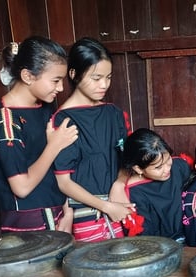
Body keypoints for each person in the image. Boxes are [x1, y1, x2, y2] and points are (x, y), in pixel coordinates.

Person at [0, 36, 78, 233]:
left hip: (57, 211)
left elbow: (55, 170)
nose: (61, 88)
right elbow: (22, 187)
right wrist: (54, 145)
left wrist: (66, 211)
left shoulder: (43, 106)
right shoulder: (5, 120)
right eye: (55, 80)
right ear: (28, 76)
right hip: (29, 221)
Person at [52, 37, 134, 242]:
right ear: (74, 74)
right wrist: (106, 207)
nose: (104, 84)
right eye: (96, 78)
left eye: (108, 77)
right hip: (87, 216)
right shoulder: (63, 120)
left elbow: (128, 156)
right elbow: (63, 182)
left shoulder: (114, 113)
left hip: (122, 205)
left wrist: (119, 184)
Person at [119, 128, 193, 239]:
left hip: (190, 236)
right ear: (138, 169)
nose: (167, 169)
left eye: (168, 160)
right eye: (158, 167)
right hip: (162, 245)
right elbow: (146, 237)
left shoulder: (178, 166)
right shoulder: (135, 192)